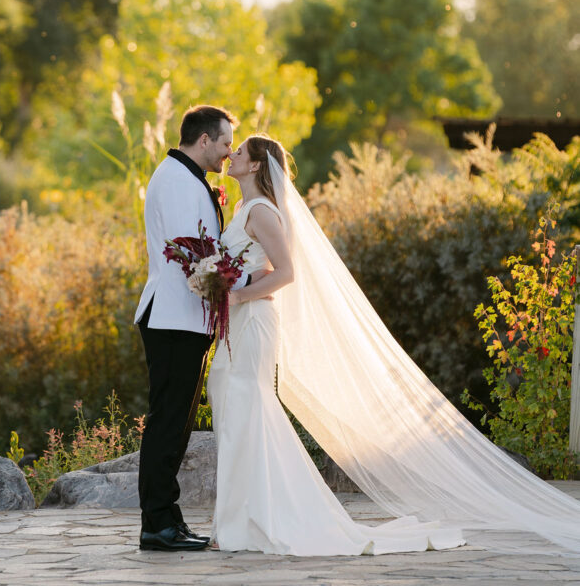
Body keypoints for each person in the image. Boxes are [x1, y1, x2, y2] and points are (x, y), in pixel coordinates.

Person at [207, 133, 580, 556]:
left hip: (253, 321)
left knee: (249, 409)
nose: (231, 155)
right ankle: (240, 518)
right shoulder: (240, 209)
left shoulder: (261, 212)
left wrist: (236, 295)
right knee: (237, 411)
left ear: (256, 165)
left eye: (239, 152)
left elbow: (287, 272)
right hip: (236, 322)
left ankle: (247, 523)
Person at [134, 104, 266, 552]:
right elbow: (192, 256)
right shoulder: (174, 180)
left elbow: (200, 253)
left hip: (187, 319)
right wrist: (249, 281)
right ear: (204, 139)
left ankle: (169, 521)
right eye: (226, 142)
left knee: (177, 425)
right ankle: (157, 526)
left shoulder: (187, 179)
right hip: (171, 318)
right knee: (167, 424)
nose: (230, 152)